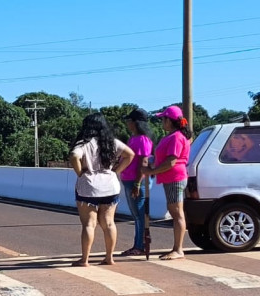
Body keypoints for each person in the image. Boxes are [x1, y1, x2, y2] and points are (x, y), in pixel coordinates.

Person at [69, 113, 135, 266]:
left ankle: (85, 259)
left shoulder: (83, 143)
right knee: (109, 223)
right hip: (110, 186)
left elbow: (74, 156)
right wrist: (116, 170)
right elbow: (130, 154)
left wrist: (80, 172)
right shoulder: (111, 142)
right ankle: (109, 257)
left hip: (89, 187)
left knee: (89, 224)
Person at [143, 105, 191, 261]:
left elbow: (171, 161)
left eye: (163, 119)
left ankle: (178, 249)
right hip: (171, 178)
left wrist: (151, 172)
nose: (162, 122)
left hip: (175, 177)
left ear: (170, 121)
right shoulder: (171, 136)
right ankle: (177, 248)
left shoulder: (176, 137)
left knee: (177, 213)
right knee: (175, 212)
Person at [119, 108, 154, 257]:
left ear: (136, 122)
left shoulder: (142, 140)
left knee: (139, 215)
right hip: (129, 179)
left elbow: (143, 162)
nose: (127, 123)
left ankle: (139, 245)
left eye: (129, 121)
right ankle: (138, 244)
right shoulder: (134, 138)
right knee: (136, 215)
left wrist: (137, 184)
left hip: (136, 180)